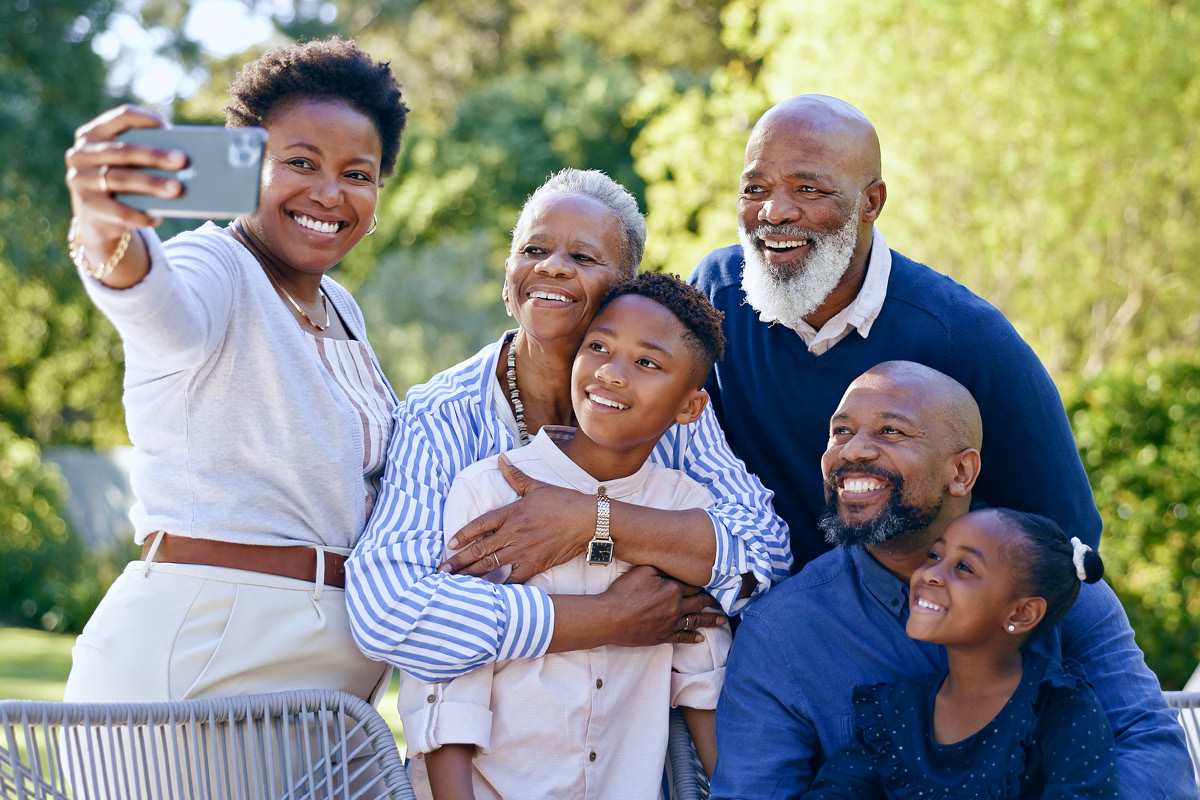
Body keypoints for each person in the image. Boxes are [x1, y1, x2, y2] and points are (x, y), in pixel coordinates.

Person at [61, 37, 408, 707]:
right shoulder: (217, 265)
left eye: (358, 174)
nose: (330, 193)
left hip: (328, 677)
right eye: (300, 163)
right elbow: (161, 310)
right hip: (205, 651)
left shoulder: (343, 307)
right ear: (246, 167)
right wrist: (105, 233)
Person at [346, 169, 791, 684]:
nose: (552, 268)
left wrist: (593, 520)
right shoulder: (442, 416)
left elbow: (764, 557)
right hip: (490, 748)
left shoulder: (667, 410)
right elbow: (390, 611)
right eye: (534, 251)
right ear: (509, 274)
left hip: (639, 739)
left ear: (624, 289)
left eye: (581, 257)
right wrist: (609, 619)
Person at [711, 361, 1193, 800]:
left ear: (961, 471)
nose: (853, 450)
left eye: (891, 431)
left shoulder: (1052, 585)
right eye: (841, 432)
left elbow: (1151, 749)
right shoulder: (785, 632)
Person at [689, 94, 1102, 571]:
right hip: (755, 615)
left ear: (872, 202)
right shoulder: (716, 296)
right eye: (755, 189)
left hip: (921, 624)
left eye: (808, 189)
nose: (774, 212)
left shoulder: (965, 336)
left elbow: (1063, 530)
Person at [401, 273, 732, 800]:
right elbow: (449, 684)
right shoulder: (490, 491)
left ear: (689, 408)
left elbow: (702, 683)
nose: (612, 373)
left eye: (646, 362)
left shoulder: (684, 512)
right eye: (598, 346)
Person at [802, 508, 1118, 798]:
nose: (930, 574)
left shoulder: (1059, 705)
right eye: (934, 555)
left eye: (964, 567)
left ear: (1021, 614)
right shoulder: (895, 713)